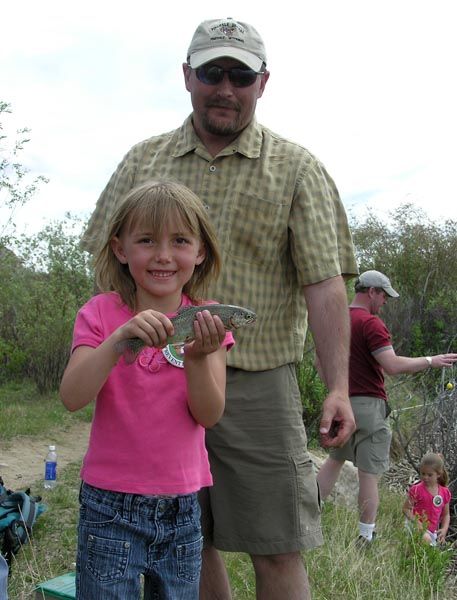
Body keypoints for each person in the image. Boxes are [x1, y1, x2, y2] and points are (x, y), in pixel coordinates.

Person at [81, 17, 359, 600]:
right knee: (188, 540)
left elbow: (325, 283)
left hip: (259, 382)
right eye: (212, 72)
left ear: (263, 82)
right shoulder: (143, 160)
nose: (225, 87)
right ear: (188, 76)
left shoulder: (297, 168)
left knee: (279, 544)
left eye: (240, 74)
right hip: (156, 383)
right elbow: (104, 260)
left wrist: (338, 387)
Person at [60, 180, 235, 599]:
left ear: (200, 251)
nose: (162, 255)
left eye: (179, 240)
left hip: (182, 507)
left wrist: (195, 358)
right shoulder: (100, 313)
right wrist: (118, 340)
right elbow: (72, 396)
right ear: (121, 249)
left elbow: (209, 414)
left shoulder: (211, 319)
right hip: (108, 506)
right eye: (146, 240)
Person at [317, 270, 457, 544]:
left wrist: (336, 389)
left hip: (340, 401)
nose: (385, 302)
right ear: (372, 291)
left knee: (334, 462)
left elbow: (320, 364)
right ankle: (365, 536)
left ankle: (307, 518)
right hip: (369, 406)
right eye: (384, 296)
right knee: (369, 474)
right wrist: (431, 360)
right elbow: (391, 365)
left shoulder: (335, 320)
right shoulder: (371, 324)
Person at [403, 453, 451, 546]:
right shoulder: (416, 489)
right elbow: (406, 509)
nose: (425, 477)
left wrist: (444, 529)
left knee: (426, 549)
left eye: (429, 475)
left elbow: (446, 514)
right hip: (414, 526)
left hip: (432, 531)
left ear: (438, 474)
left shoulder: (444, 492)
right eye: (423, 473)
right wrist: (417, 523)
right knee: (425, 540)